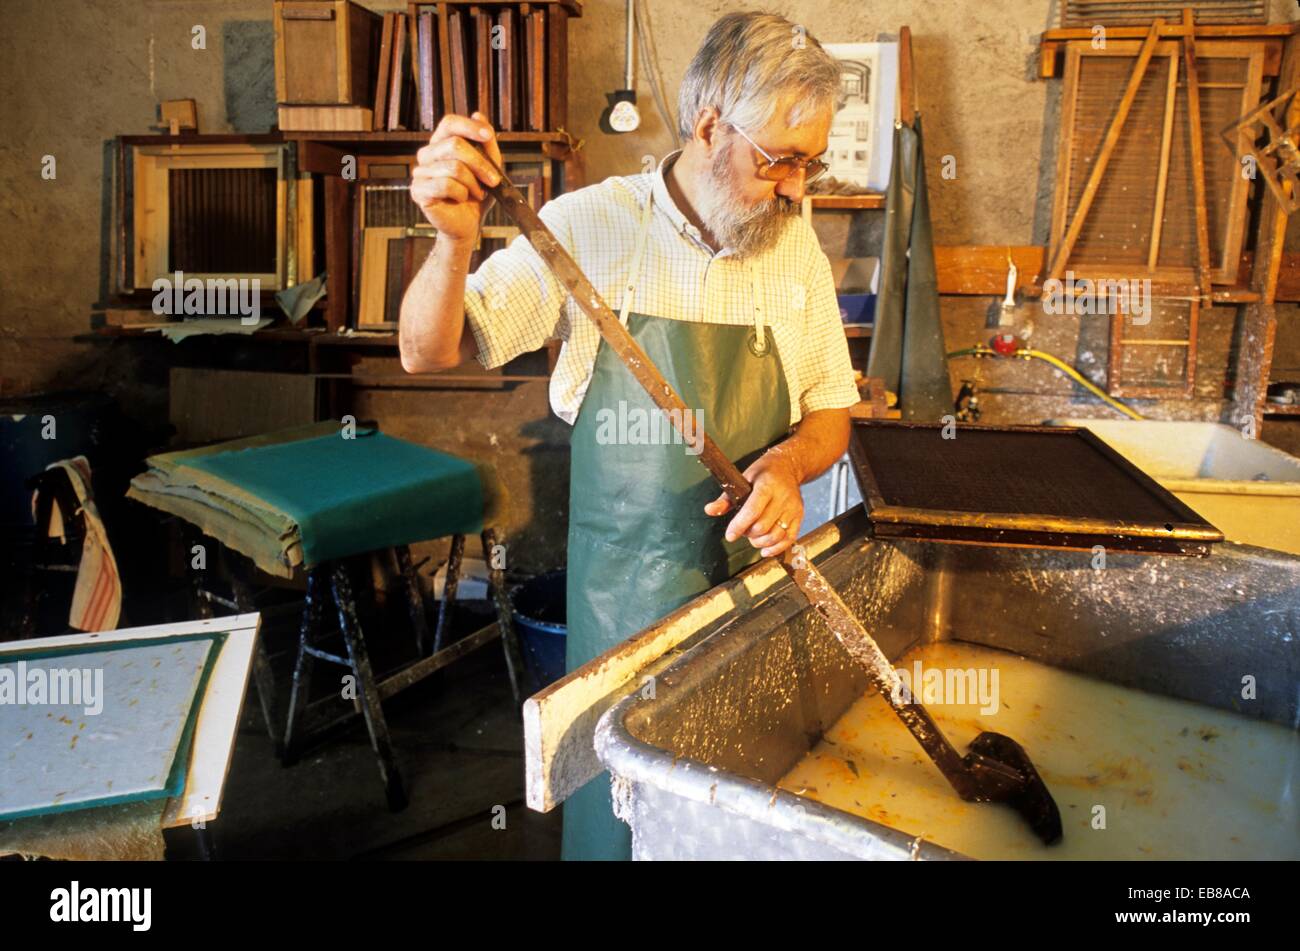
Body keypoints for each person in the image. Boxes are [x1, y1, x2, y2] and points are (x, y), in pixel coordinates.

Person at [400, 11, 859, 860]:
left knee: (733, 817)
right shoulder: (593, 226)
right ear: (710, 125)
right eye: (779, 160)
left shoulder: (793, 250)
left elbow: (831, 409)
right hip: (623, 611)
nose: (798, 188)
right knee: (622, 815)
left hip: (745, 603)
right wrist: (451, 241)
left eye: (810, 162)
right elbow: (428, 349)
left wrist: (789, 468)